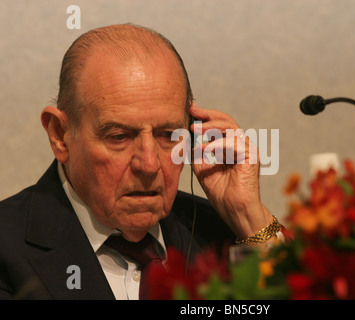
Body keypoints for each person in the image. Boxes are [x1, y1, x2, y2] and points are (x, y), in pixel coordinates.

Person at [0, 23, 280, 300]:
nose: (149, 165)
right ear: (60, 135)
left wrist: (249, 217)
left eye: (169, 135)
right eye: (120, 136)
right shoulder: (8, 248)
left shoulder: (226, 234)